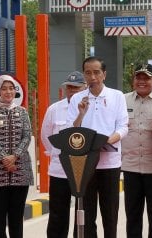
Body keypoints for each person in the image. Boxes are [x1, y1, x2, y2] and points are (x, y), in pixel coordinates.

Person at [68, 56, 129, 238]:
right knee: (86, 212)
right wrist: (80, 114)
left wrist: (110, 140)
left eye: (96, 72)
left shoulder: (116, 96)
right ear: (84, 75)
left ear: (104, 74)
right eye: (88, 73)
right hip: (84, 163)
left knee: (110, 213)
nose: (92, 77)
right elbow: (72, 131)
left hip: (109, 163)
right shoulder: (77, 99)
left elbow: (123, 126)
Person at [0, 75, 34, 238]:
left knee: (17, 219)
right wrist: (5, 158)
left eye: (11, 88)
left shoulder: (22, 112)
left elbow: (27, 136)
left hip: (20, 171)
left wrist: (15, 157)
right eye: (4, 88)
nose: (8, 92)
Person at [41, 71, 87, 238]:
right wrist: (57, 154)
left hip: (84, 170)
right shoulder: (54, 109)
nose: (72, 90)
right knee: (57, 214)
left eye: (76, 87)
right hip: (59, 170)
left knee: (82, 214)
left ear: (85, 88)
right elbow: (46, 136)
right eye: (69, 87)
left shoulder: (92, 108)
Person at [122, 64, 152, 238]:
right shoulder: (122, 100)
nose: (141, 81)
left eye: (146, 78)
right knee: (132, 214)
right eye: (138, 77)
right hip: (130, 167)